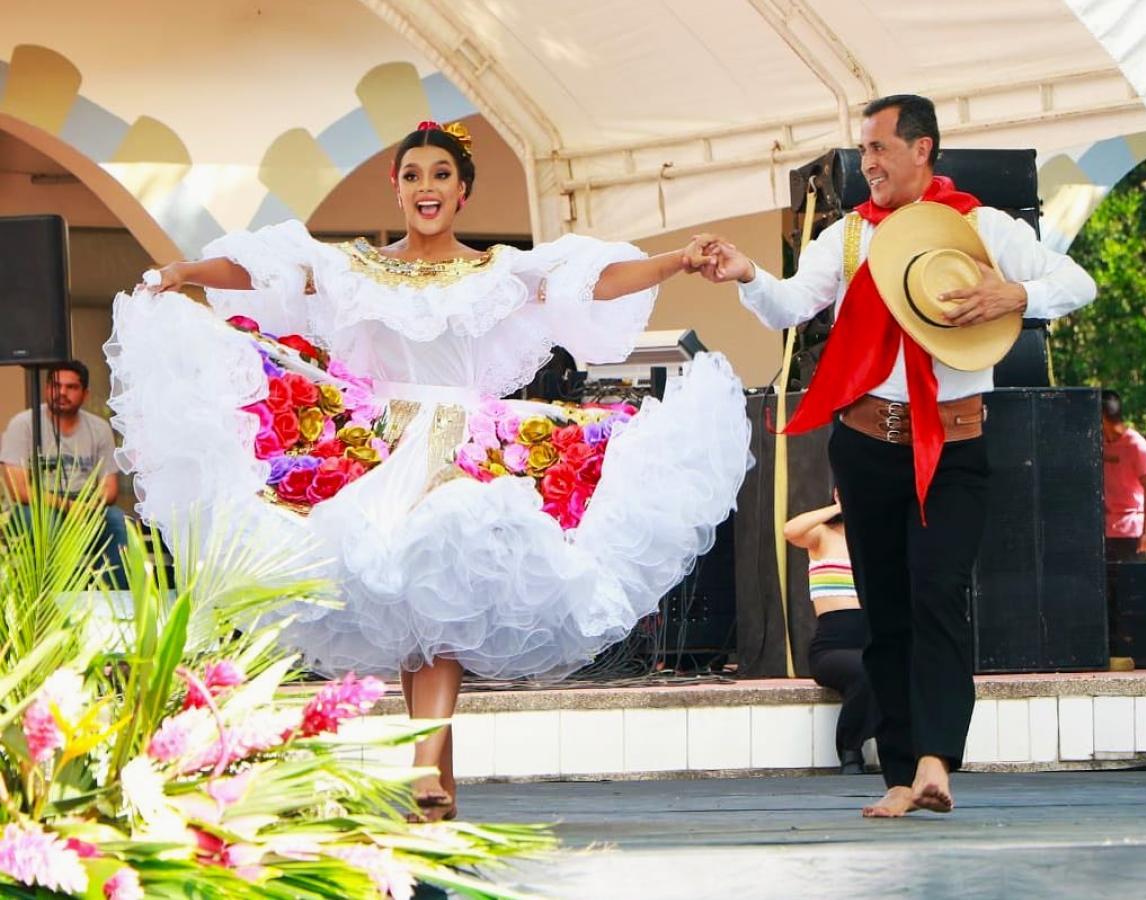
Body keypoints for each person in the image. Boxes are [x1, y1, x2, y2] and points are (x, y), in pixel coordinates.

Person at [107, 120, 751, 820]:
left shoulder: (498, 272)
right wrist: (185, 273)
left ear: (462, 191)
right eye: (413, 175)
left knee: (441, 591)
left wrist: (677, 260)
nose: (426, 187)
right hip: (378, 447)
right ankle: (435, 796)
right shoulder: (353, 268)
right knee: (417, 606)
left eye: (441, 175)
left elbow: (592, 282)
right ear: (397, 188)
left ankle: (421, 768)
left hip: (463, 446)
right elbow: (267, 273)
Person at [697, 95, 1096, 816]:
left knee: (938, 594)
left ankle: (937, 761)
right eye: (864, 150)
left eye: (879, 147)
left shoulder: (981, 227)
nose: (868, 163)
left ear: (922, 149)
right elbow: (790, 305)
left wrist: (1016, 293)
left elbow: (1078, 284)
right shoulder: (849, 236)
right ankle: (901, 775)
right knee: (884, 612)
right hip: (866, 446)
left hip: (955, 445)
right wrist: (747, 273)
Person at [0, 361, 128, 583]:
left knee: (116, 520)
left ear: (85, 394)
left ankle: (115, 596)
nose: (62, 392)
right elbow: (19, 490)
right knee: (45, 522)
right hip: (36, 505)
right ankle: (52, 596)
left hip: (85, 503)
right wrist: (68, 506)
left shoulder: (99, 428)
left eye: (71, 387)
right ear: (46, 388)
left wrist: (86, 507)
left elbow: (110, 489)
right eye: (56, 385)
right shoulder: (23, 424)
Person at [784, 493, 878, 775]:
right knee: (866, 670)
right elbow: (790, 530)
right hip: (832, 649)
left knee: (892, 667)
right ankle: (850, 750)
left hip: (872, 640)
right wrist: (838, 507)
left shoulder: (875, 538)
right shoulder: (822, 535)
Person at [1101, 390, 1146, 562]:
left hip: (1132, 532)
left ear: (1102, 417)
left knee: (1132, 579)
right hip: (1105, 530)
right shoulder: (1099, 443)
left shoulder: (1137, 445)